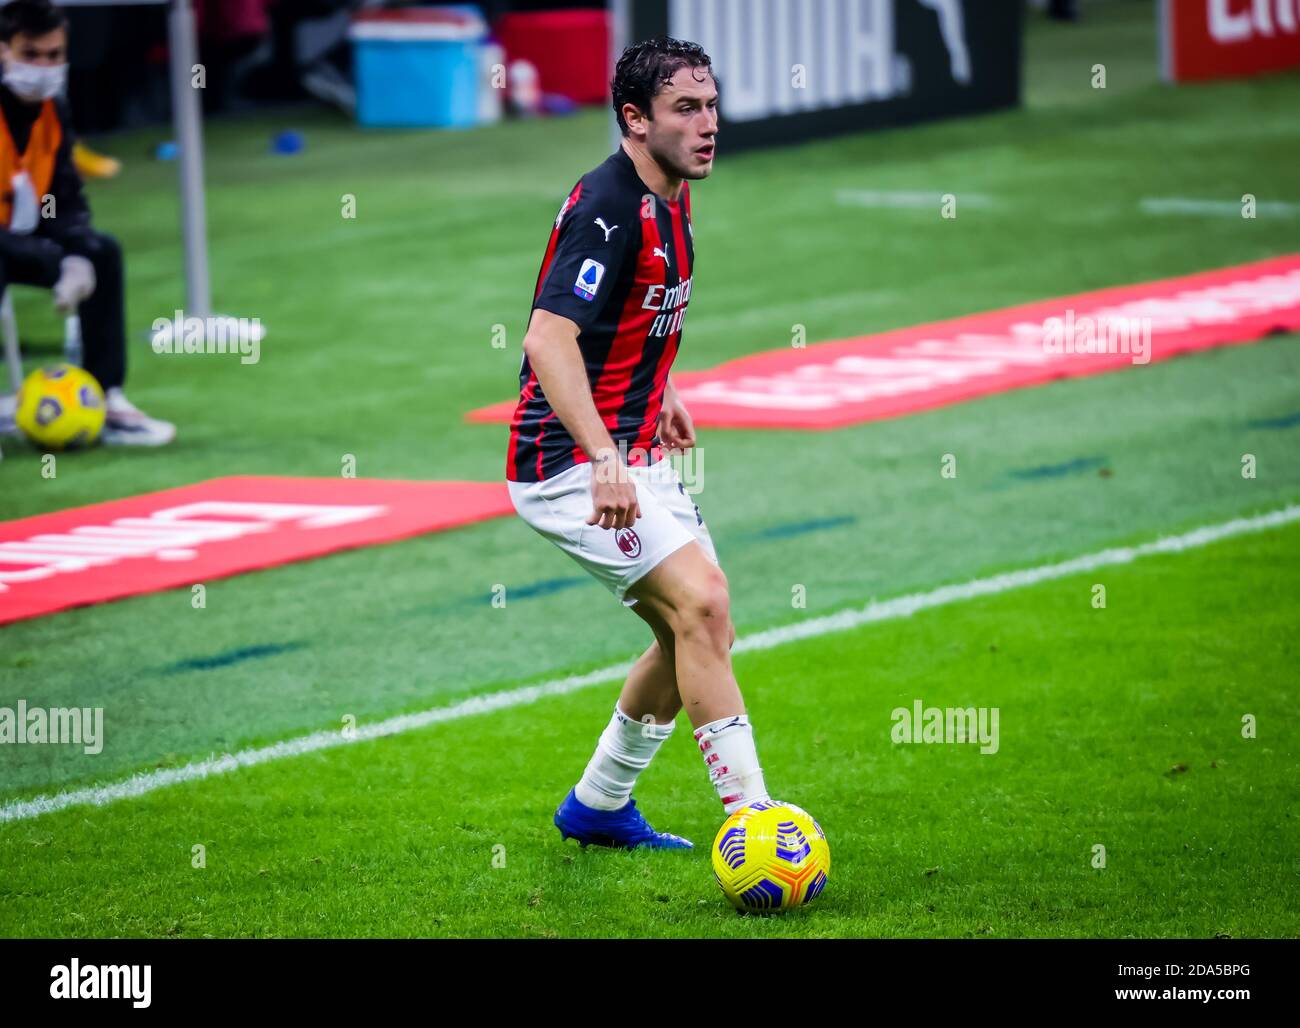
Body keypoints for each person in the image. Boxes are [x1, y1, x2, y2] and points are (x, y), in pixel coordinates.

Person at [506, 37, 770, 850]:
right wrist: (604, 457)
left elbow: (621, 319)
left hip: (631, 443)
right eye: (686, 109)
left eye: (712, 105)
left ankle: (599, 805)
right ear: (634, 119)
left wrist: (662, 390)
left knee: (695, 629)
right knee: (703, 604)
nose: (708, 124)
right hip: (565, 465)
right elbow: (549, 339)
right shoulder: (608, 207)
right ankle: (757, 825)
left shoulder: (672, 188)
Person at [0, 0, 174, 445]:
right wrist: (46, 256)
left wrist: (75, 252)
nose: (43, 67)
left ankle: (106, 395)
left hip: (18, 234)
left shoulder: (54, 110)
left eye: (54, 55)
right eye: (30, 55)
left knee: (102, 252)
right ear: (3, 51)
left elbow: (64, 196)